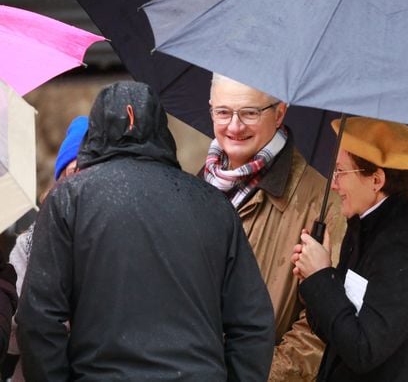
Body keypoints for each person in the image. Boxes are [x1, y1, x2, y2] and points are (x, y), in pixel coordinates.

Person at [16, 81, 275, 381]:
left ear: (96, 133)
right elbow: (254, 325)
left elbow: (37, 319)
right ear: (161, 130)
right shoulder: (214, 205)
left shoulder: (68, 200)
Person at [204, 74, 346, 381]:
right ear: (211, 109)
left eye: (250, 113)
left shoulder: (320, 205)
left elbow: (321, 325)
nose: (234, 126)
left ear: (280, 112)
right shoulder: (194, 184)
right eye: (224, 112)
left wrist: (257, 377)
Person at [292, 116, 408, 381]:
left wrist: (321, 277)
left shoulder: (405, 250)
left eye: (341, 171)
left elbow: (362, 350)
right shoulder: (365, 226)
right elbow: (335, 331)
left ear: (376, 180)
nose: (333, 183)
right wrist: (316, 277)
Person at [6, 115, 89, 382]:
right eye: (75, 171)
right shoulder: (29, 242)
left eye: (93, 170)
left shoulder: (119, 240)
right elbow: (10, 336)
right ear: (59, 178)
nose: (82, 181)